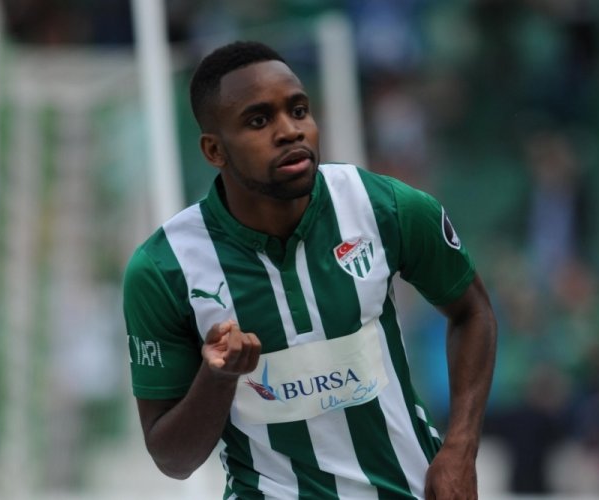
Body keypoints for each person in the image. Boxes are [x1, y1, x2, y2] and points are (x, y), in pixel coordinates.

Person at [122, 40, 497, 500]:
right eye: (259, 121)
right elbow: (173, 460)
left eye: (298, 110)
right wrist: (217, 377)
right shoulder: (164, 269)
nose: (290, 131)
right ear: (214, 150)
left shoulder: (384, 207)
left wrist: (460, 449)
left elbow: (473, 311)